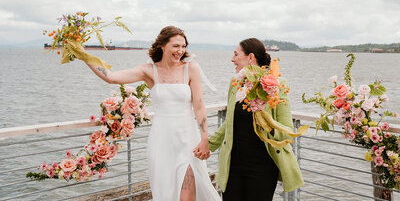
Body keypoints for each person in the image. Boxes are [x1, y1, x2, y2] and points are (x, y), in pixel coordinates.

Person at [78, 26, 221, 201]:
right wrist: (83, 55)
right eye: (176, 46)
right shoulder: (148, 71)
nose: (181, 51)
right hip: (161, 140)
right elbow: (111, 77)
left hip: (187, 140)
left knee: (187, 195)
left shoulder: (191, 69)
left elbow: (199, 106)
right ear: (162, 45)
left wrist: (204, 139)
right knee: (166, 193)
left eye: (183, 46)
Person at [208, 38, 303, 201]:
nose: (232, 59)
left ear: (250, 57)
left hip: (263, 168)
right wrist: (207, 146)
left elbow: (287, 131)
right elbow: (229, 123)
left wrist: (266, 121)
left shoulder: (277, 84)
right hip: (233, 167)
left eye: (236, 54)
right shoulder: (235, 83)